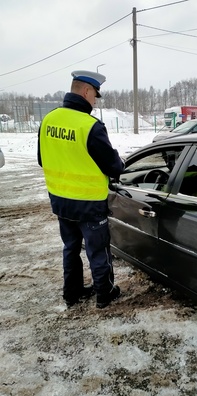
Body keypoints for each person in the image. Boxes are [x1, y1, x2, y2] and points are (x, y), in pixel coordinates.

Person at [37, 70, 124, 309]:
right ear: (86, 91)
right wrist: (120, 163)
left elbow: (42, 160)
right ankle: (105, 294)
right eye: (95, 95)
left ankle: (71, 293)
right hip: (89, 203)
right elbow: (113, 166)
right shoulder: (90, 126)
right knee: (98, 252)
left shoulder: (49, 120)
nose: (95, 101)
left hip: (61, 202)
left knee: (71, 248)